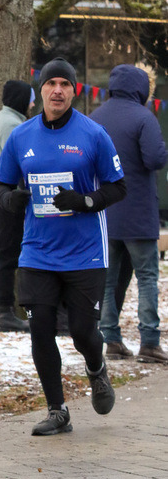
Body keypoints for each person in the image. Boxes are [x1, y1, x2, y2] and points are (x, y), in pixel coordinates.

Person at [0, 57, 126, 436]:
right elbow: (1, 186)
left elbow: (119, 187)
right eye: (50, 83)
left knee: (84, 332)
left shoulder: (94, 134)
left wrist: (82, 202)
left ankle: (96, 369)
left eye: (64, 84)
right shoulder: (22, 136)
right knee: (40, 332)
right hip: (37, 251)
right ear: (41, 90)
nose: (57, 90)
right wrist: (11, 200)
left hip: (86, 252)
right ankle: (57, 410)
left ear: (74, 91)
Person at [91, 64, 168, 363]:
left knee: (108, 280)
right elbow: (154, 158)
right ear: (141, 88)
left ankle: (110, 339)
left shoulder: (96, 117)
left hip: (106, 212)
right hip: (138, 212)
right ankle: (149, 341)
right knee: (147, 277)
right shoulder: (143, 117)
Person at [0, 80, 35, 332]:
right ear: (21, 99)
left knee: (7, 254)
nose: (33, 104)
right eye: (30, 98)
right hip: (5, 198)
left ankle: (7, 310)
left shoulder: (5, 120)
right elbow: (21, 164)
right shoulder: (12, 125)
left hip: (0, 197)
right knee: (7, 256)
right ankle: (4, 312)